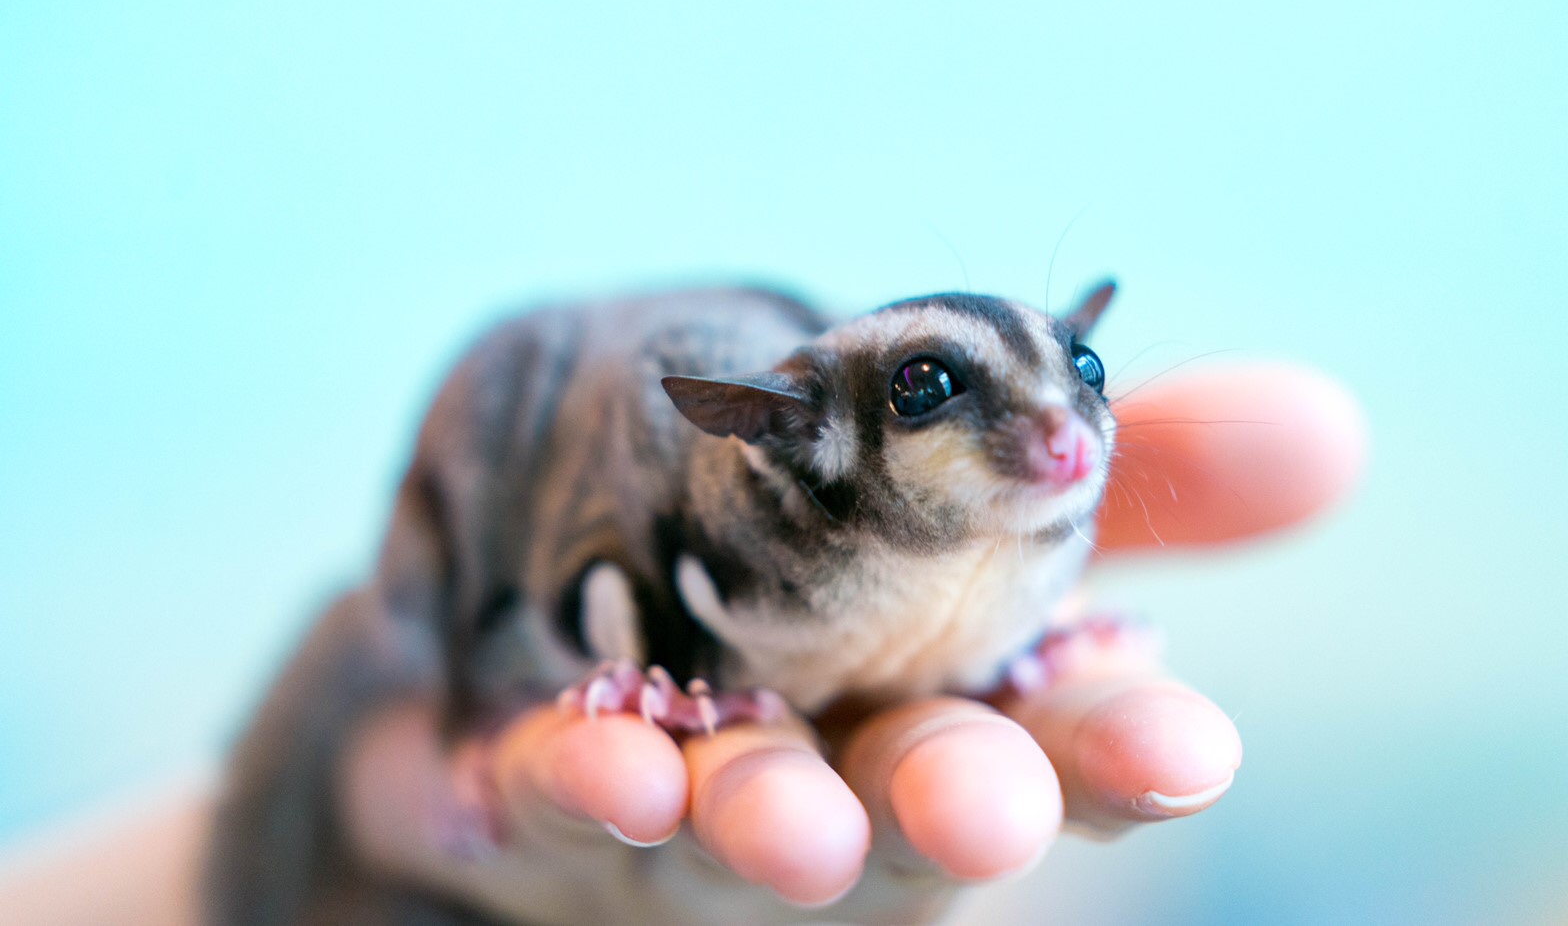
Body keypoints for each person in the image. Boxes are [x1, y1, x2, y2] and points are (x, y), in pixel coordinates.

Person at [0, 363, 1364, 925]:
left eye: (1085, 375)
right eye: (943, 391)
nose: (1068, 429)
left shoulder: (1016, 517)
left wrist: (1007, 633)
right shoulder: (715, 509)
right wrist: (396, 766)